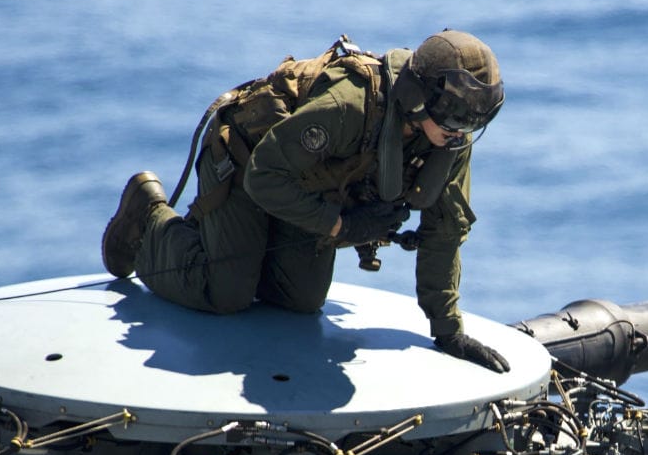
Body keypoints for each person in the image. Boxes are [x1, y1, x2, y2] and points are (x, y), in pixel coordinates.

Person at [101, 29, 510, 373]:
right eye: (457, 120)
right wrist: (340, 227)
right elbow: (264, 175)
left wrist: (448, 329)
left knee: (300, 299)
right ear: (419, 99)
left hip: (307, 185)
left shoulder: (448, 140)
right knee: (225, 293)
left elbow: (446, 228)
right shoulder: (350, 107)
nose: (462, 133)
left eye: (475, 124)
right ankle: (148, 216)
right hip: (247, 164)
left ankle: (236, 246)